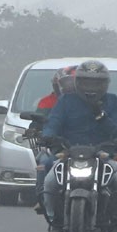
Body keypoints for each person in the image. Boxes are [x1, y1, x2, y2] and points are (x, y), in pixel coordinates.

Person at [42, 60, 117, 232]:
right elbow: (54, 122)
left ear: (105, 84)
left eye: (96, 83)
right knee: (49, 182)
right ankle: (56, 220)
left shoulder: (114, 102)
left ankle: (115, 221)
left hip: (105, 154)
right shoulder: (66, 101)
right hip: (69, 152)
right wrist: (48, 135)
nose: (91, 87)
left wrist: (101, 117)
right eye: (86, 82)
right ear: (78, 82)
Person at [30, 65, 77, 214]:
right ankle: (44, 199)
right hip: (58, 148)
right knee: (45, 162)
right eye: (65, 84)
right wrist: (38, 131)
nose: (68, 88)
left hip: (86, 148)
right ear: (56, 84)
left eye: (73, 84)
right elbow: (41, 124)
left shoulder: (89, 103)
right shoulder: (48, 102)